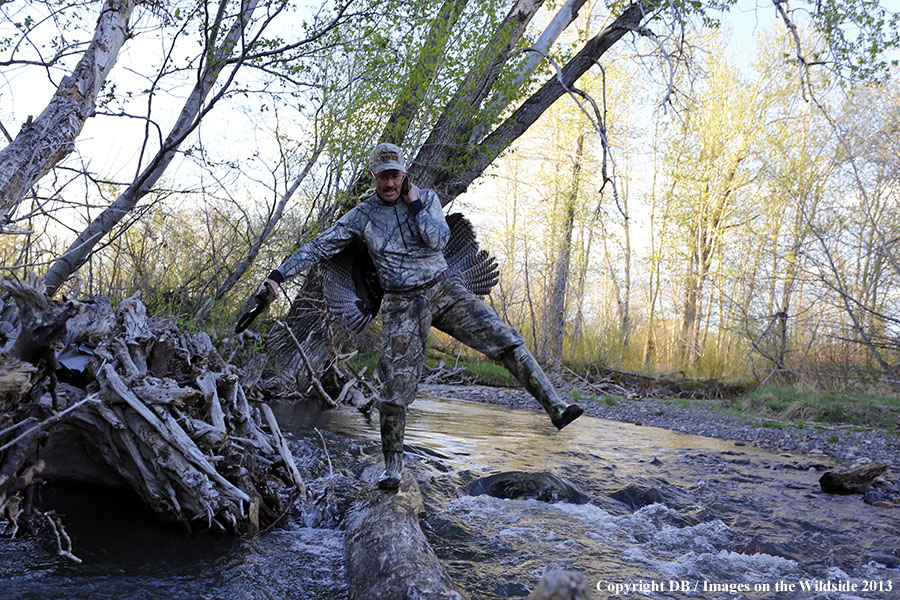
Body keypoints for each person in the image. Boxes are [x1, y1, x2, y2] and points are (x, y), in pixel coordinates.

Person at [261, 142, 583, 490]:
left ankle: (555, 406)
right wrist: (278, 275)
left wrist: (414, 204)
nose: (389, 183)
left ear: (403, 174)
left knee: (505, 340)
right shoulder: (361, 216)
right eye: (383, 177)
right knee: (394, 388)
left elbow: (437, 239)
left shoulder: (426, 199)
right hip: (402, 304)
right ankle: (393, 468)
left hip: (445, 289)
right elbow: (318, 246)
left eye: (395, 176)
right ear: (372, 176)